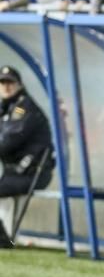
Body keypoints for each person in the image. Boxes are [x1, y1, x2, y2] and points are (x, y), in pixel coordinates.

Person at [0, 65, 53, 247]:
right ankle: (4, 235)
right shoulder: (7, 108)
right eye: (2, 82)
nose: (6, 87)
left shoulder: (23, 108)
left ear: (19, 85)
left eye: (10, 83)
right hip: (14, 173)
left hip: (31, 173)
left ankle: (4, 238)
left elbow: (8, 142)